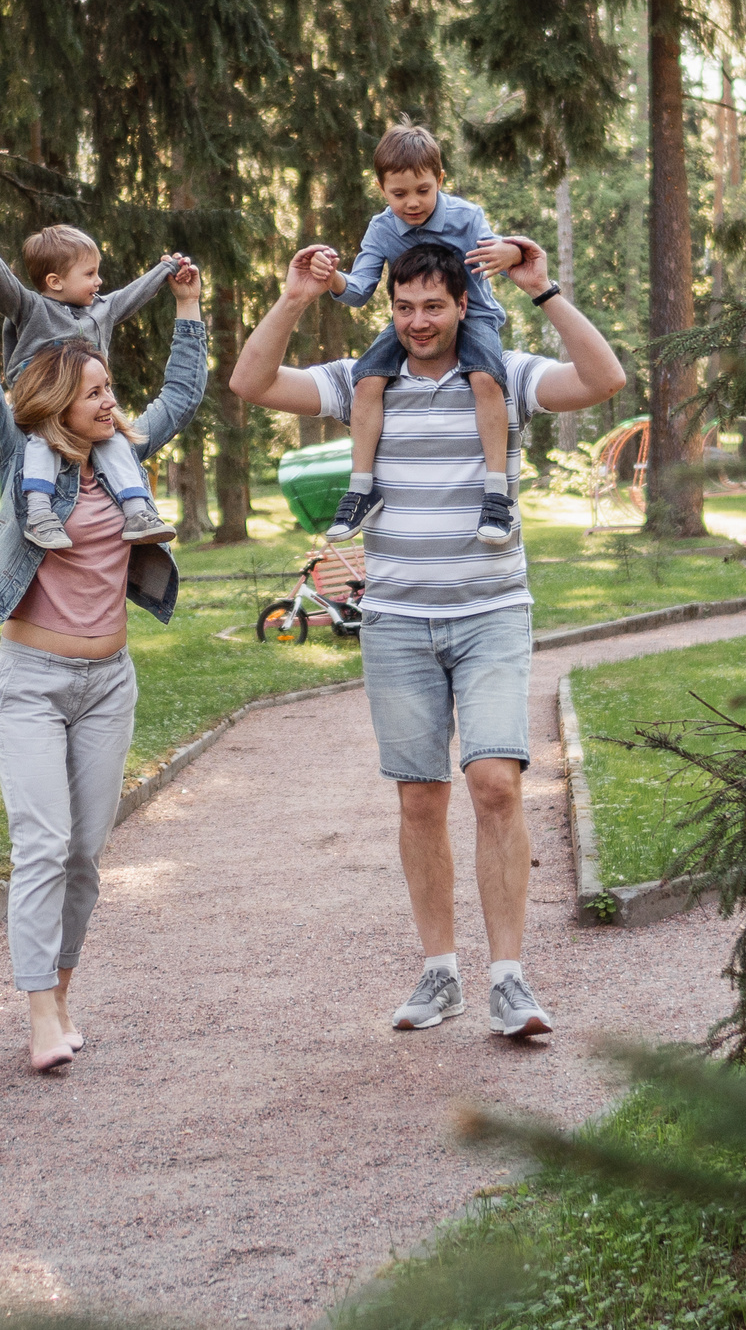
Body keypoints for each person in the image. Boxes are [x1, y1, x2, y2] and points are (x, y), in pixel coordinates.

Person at [230, 236, 626, 1037]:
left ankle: (508, 978)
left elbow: (602, 379)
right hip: (397, 622)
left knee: (495, 783)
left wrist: (545, 290)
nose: (418, 321)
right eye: (404, 307)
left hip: (490, 612)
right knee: (419, 798)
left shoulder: (504, 373)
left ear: (462, 304)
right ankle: (440, 971)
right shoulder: (362, 380)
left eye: (433, 306)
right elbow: (252, 382)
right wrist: (295, 297)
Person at [0, 226, 209, 1072]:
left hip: (108, 683)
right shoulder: (19, 457)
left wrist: (189, 308)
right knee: (43, 844)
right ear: (59, 396)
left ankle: (58, 990)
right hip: (31, 680)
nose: (109, 398)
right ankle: (38, 1017)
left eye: (110, 386)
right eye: (95, 388)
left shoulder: (122, 454)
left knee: (85, 854)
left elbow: (182, 394)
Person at [325, 124, 521, 548]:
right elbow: (359, 290)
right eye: (399, 194)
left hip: (474, 317)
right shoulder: (381, 229)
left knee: (485, 377)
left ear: (440, 180)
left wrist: (513, 252)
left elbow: (504, 258)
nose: (412, 202)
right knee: (367, 379)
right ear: (381, 188)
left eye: (422, 190)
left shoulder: (467, 217)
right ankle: (361, 488)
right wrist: (333, 278)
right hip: (413, 321)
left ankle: (496, 492)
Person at [0, 223, 188, 549]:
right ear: (55, 282)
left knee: (115, 442)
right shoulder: (32, 309)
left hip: (86, 409)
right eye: (89, 274)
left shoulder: (101, 310)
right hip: (44, 404)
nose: (98, 281)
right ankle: (39, 514)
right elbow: (5, 291)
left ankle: (137, 513)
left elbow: (133, 295)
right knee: (43, 442)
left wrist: (166, 269)